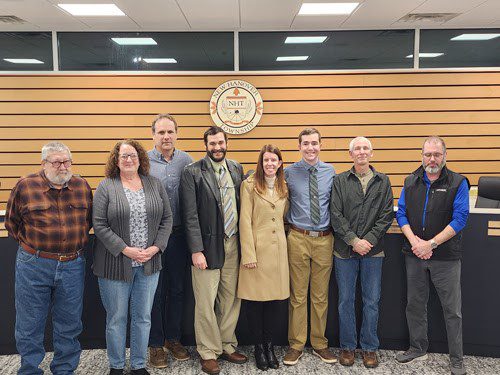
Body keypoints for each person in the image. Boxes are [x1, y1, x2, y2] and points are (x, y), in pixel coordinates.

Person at [5, 141, 92, 375]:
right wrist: (35, 249)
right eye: (57, 161)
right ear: (44, 164)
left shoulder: (82, 186)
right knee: (29, 323)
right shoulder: (25, 186)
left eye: (67, 161)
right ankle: (30, 369)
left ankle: (64, 370)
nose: (63, 166)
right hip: (34, 264)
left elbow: (89, 221)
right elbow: (12, 224)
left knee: (70, 324)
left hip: (73, 264)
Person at [92, 139, 173, 375]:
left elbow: (167, 219)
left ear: (140, 159)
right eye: (124, 156)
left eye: (133, 155)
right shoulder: (107, 186)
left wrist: (156, 247)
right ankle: (116, 366)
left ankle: (138, 365)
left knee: (143, 317)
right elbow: (99, 224)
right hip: (115, 264)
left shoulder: (154, 184)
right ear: (116, 161)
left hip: (149, 263)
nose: (129, 160)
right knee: (117, 318)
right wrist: (125, 249)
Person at [395, 136, 469, 375]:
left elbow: (460, 219)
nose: (432, 159)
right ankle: (417, 347)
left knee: (452, 310)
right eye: (428, 154)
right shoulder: (410, 180)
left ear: (444, 156)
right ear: (422, 156)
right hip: (414, 253)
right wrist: (415, 241)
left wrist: (432, 243)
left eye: (437, 154)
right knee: (415, 305)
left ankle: (456, 358)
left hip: (445, 257)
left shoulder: (458, 182)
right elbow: (401, 214)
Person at [180, 126, 247, 375]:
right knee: (206, 302)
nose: (217, 147)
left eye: (220, 143)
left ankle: (227, 345)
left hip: (234, 244)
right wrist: (196, 250)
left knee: (231, 299)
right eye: (212, 144)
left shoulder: (236, 168)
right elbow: (189, 215)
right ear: (205, 145)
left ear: (226, 142)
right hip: (207, 248)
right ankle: (208, 351)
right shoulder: (193, 172)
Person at [330, 136, 394, 368]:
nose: (361, 152)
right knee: (345, 301)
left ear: (372, 153)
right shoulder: (340, 181)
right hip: (344, 252)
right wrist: (353, 240)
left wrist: (368, 240)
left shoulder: (383, 181)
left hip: (373, 252)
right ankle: (347, 347)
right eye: (357, 149)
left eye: (365, 148)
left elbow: (387, 215)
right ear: (350, 155)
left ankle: (369, 348)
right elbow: (335, 214)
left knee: (371, 301)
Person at [283, 128, 337, 366]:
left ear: (321, 145)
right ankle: (296, 345)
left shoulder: (330, 172)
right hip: (298, 237)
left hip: (325, 239)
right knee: (297, 296)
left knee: (320, 296)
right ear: (299, 146)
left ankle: (319, 344)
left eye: (314, 143)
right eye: (305, 144)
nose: (310, 148)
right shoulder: (288, 172)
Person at [237, 144, 289, 371]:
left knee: (275, 303)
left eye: (274, 160)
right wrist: (249, 253)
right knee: (256, 303)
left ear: (279, 163)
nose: (269, 164)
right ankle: (259, 348)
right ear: (261, 163)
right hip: (256, 252)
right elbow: (244, 221)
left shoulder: (283, 186)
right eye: (266, 160)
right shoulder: (248, 186)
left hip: (278, 252)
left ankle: (270, 346)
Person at [147, 114, 193, 368]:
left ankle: (173, 339)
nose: (166, 137)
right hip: (152, 239)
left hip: (178, 236)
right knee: (154, 291)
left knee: (177, 290)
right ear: (153, 134)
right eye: (161, 132)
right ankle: (155, 344)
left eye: (170, 132)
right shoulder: (143, 161)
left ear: (177, 133)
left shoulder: (187, 161)